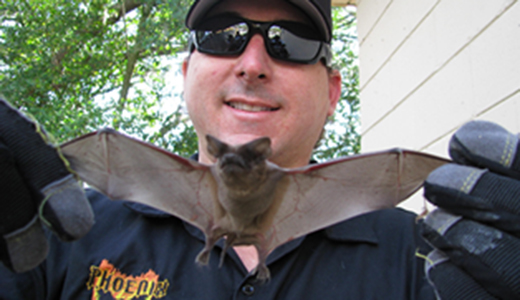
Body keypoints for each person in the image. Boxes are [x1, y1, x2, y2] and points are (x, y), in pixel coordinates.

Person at [1, 0, 519, 299]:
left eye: (289, 42)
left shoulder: (424, 260)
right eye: (222, 35)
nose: (252, 63)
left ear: (334, 90)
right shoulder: (59, 236)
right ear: (185, 74)